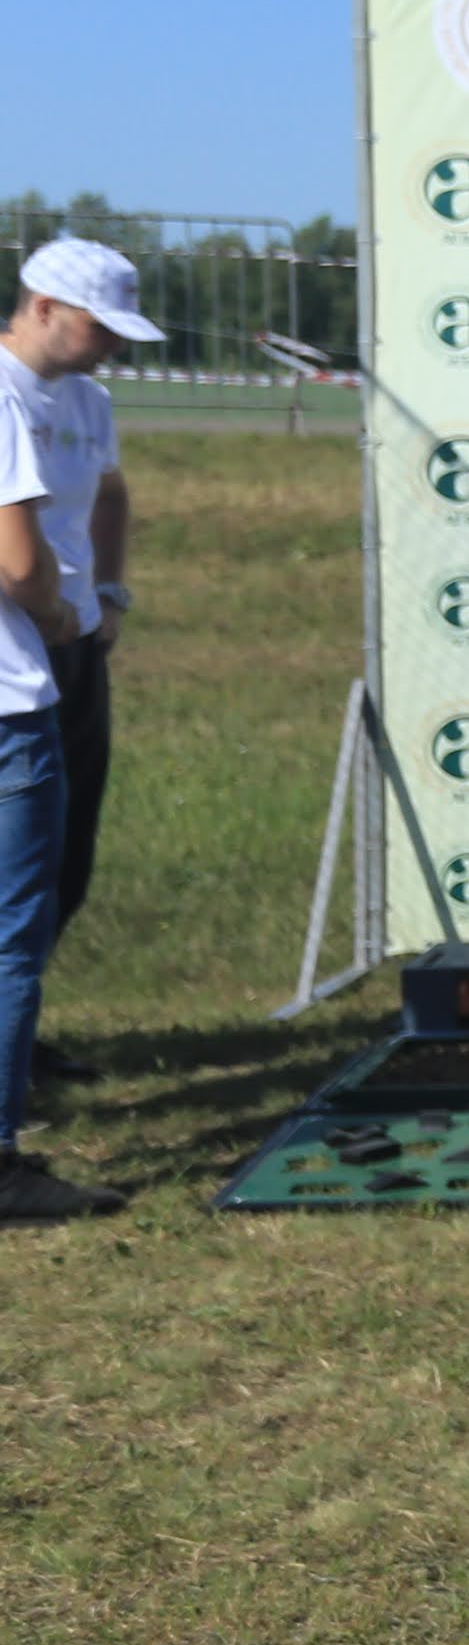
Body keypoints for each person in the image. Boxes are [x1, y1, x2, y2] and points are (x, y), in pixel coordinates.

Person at [1, 243, 141, 1091]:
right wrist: (48, 608)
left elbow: (111, 494)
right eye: (101, 327)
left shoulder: (90, 400)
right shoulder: (4, 393)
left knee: (64, 857)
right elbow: (17, 557)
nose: (111, 346)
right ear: (44, 307)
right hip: (21, 651)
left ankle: (18, 1030)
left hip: (76, 648)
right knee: (15, 865)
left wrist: (109, 593)